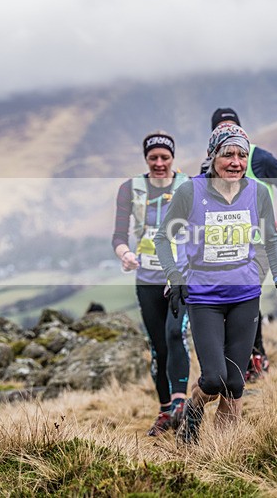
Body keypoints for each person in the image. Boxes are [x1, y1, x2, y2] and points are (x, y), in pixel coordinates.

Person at [155, 122, 277, 445]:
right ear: (212, 156)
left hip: (245, 294)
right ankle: (192, 408)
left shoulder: (257, 192)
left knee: (235, 383)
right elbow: (162, 238)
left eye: (242, 155)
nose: (235, 162)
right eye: (228, 154)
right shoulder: (190, 191)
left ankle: (222, 453)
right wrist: (175, 278)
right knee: (214, 377)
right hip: (203, 296)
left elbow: (272, 241)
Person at [208, 108, 277, 380]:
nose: (229, 136)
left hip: (258, 246)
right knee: (232, 300)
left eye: (233, 128)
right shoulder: (211, 165)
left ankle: (254, 360)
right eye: (222, 130)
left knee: (244, 293)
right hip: (222, 248)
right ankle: (246, 359)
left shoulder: (258, 158)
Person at [112, 131, 191, 436]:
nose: (159, 163)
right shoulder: (130, 188)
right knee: (159, 348)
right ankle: (164, 412)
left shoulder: (188, 186)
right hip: (146, 277)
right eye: (153, 158)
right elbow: (118, 236)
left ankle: (180, 405)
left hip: (181, 276)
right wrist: (126, 254)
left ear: (174, 158)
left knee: (175, 336)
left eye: (165, 158)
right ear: (145, 159)